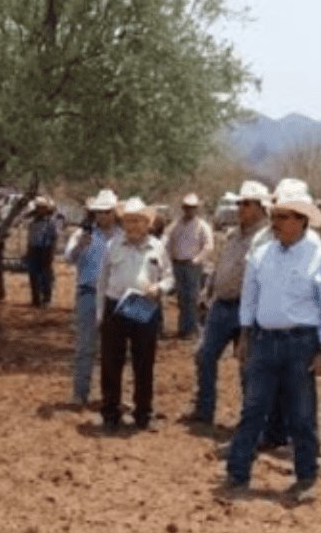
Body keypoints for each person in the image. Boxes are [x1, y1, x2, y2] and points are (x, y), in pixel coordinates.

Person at [225, 179, 321, 503]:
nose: (278, 223)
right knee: (253, 408)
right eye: (276, 216)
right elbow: (250, 296)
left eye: (286, 217)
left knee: (301, 414)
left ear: (302, 219)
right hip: (263, 340)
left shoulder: (319, 258)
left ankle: (306, 475)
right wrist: (245, 334)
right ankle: (237, 473)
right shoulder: (261, 255)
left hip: (301, 343)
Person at [183, 180, 272, 426]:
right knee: (204, 355)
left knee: (248, 365)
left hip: (250, 307)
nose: (240, 208)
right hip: (222, 305)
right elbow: (221, 265)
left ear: (261, 207)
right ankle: (204, 408)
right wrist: (208, 291)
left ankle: (251, 420)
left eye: (246, 204)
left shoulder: (266, 238)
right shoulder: (233, 235)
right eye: (239, 203)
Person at [96, 197, 173, 430]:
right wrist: (100, 313)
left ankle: (143, 414)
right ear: (123, 223)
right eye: (129, 220)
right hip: (115, 306)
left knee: (143, 362)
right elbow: (102, 281)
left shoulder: (158, 247)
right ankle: (110, 413)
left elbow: (169, 277)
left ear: (147, 222)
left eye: (138, 220)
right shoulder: (113, 246)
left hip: (142, 306)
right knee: (111, 363)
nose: (133, 225)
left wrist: (159, 288)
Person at [65, 189, 120, 405]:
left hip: (114, 296)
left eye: (106, 211)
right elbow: (69, 259)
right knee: (85, 345)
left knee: (114, 346)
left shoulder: (122, 236)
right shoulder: (81, 235)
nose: (102, 216)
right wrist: (80, 246)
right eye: (98, 212)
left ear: (114, 212)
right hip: (88, 293)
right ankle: (80, 393)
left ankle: (111, 395)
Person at [165, 193, 214, 339]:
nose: (189, 210)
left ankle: (192, 330)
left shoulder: (202, 226)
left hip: (192, 265)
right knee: (181, 297)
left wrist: (197, 259)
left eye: (192, 208)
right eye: (186, 207)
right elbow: (168, 242)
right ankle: (183, 328)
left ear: (196, 209)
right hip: (177, 264)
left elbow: (209, 246)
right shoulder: (176, 225)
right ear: (183, 208)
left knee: (193, 297)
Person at [25, 198, 60, 307]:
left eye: (43, 208)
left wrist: (52, 252)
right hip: (33, 250)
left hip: (45, 250)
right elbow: (30, 238)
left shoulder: (50, 222)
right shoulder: (32, 222)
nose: (40, 210)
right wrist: (28, 251)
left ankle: (46, 299)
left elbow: (54, 238)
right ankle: (35, 299)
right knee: (33, 275)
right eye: (39, 208)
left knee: (45, 276)